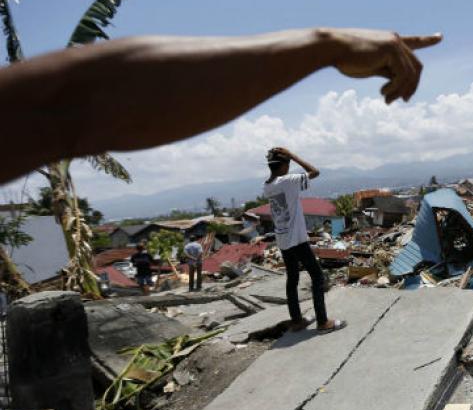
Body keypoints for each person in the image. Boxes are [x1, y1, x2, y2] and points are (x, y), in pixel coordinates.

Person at [0, 28, 441, 184]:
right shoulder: (285, 185)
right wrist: (324, 46)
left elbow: (62, 109)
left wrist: (323, 46)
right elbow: (70, 104)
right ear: (281, 165)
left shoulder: (269, 190)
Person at [263, 147, 345, 334]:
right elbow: (315, 172)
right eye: (288, 164)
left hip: (283, 240)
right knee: (317, 277)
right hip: (298, 240)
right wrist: (292, 155)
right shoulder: (288, 181)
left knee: (292, 279)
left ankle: (297, 320)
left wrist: (286, 159)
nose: (289, 168)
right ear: (284, 165)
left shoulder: (267, 185)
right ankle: (323, 322)